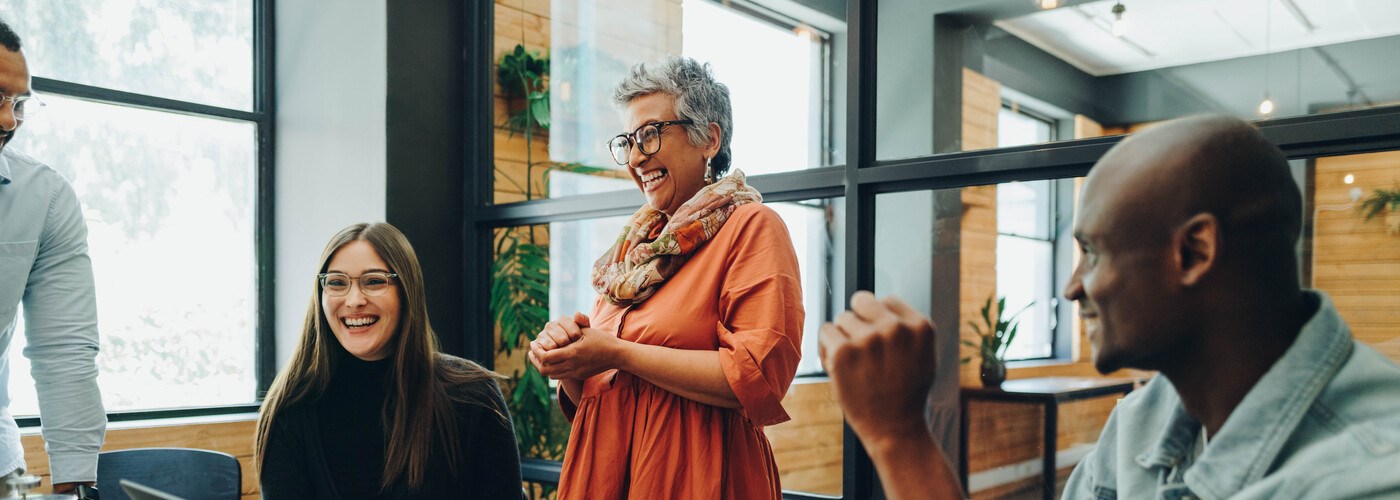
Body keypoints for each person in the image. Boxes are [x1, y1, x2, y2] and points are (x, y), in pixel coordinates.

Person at [820, 115, 1400, 499]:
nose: (1073, 287)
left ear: (1195, 252)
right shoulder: (1139, 423)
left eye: (1092, 252)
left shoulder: (1368, 474)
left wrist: (899, 438)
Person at [527, 56, 804, 499]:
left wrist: (618, 352)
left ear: (708, 139)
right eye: (628, 141)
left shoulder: (752, 227)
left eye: (651, 134)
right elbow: (601, 397)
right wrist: (569, 357)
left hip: (697, 477)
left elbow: (757, 377)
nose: (636, 157)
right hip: (605, 474)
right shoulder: (633, 254)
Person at [256, 222, 521, 499]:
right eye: (336, 282)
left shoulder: (473, 396)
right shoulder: (291, 406)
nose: (354, 300)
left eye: (374, 281)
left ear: (407, 291)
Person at [0, 18, 105, 499]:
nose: (8, 121)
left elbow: (64, 352)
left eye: (17, 104)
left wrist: (76, 485)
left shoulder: (43, 197)